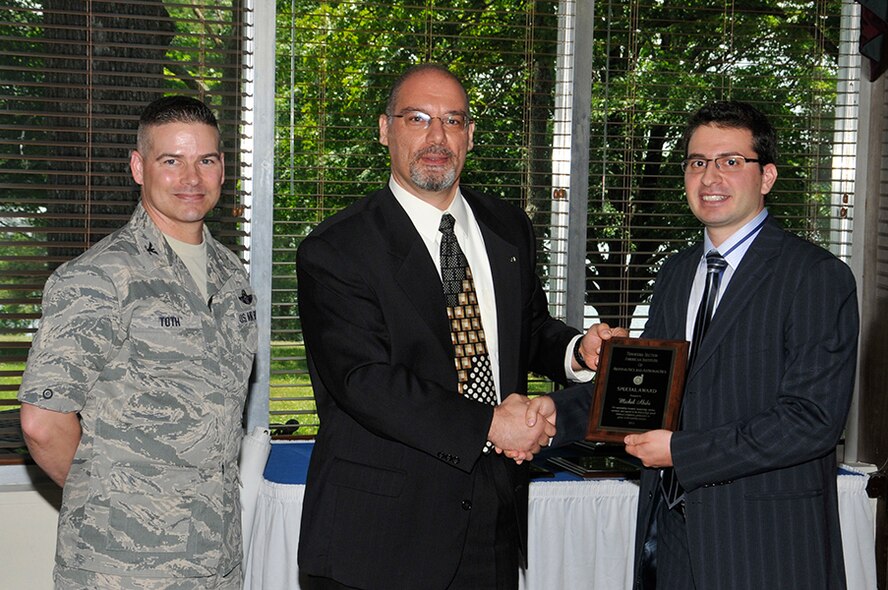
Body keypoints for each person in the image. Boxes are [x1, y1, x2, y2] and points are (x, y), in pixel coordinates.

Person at [295, 63, 624, 590]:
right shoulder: (337, 248)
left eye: (453, 120)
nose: (436, 137)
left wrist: (576, 350)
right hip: (380, 539)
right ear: (385, 129)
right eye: (418, 118)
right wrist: (489, 424)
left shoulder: (508, 227)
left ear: (470, 134)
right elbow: (364, 381)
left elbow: (528, 327)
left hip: (494, 519)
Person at [533, 100, 859, 589]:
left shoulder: (816, 277)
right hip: (672, 542)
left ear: (766, 176)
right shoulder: (676, 273)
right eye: (697, 162)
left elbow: (811, 421)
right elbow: (647, 393)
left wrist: (683, 452)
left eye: (731, 162)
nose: (710, 177)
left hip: (765, 546)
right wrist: (549, 415)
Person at [18, 96, 257, 589]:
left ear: (222, 168)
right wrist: (116, 498)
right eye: (171, 160)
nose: (191, 178)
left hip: (218, 556)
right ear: (138, 167)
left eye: (205, 160)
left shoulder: (232, 277)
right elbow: (43, 422)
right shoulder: (99, 278)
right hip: (125, 565)